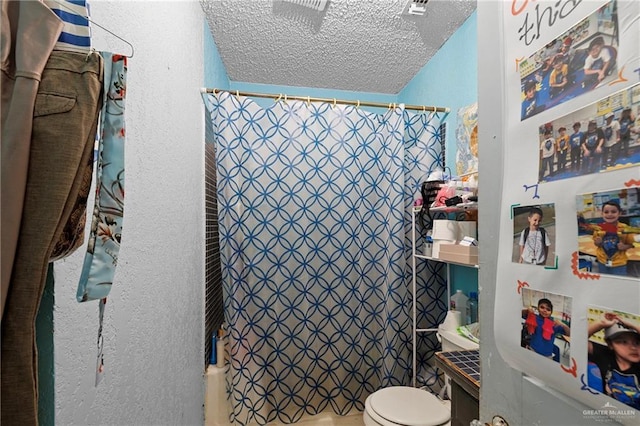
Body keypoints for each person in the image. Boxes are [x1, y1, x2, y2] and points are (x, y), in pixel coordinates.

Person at [587, 312, 640, 409]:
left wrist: (634, 325)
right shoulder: (605, 355)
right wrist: (600, 324)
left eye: (637, 342)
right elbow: (577, 340)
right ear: (610, 344)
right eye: (624, 342)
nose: (633, 347)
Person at [592, 200, 637, 276]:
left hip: (619, 263)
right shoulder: (598, 228)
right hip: (602, 261)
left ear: (619, 213)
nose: (610, 214)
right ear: (602, 214)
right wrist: (597, 242)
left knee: (619, 283)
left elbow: (632, 244)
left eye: (613, 212)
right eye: (606, 212)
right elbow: (596, 243)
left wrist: (624, 247)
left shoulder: (625, 228)